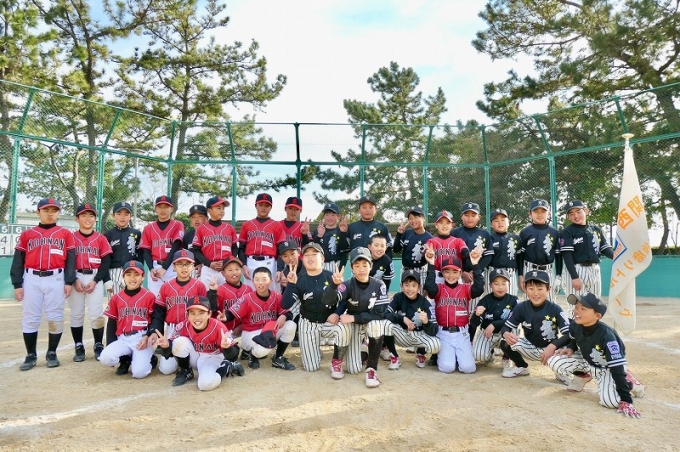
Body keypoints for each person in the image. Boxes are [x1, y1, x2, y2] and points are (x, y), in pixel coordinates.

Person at [547, 292, 644, 418]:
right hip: (587, 362)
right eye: (576, 307)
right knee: (554, 360)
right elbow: (572, 337)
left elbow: (616, 367)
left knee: (610, 402)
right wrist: (569, 347)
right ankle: (582, 376)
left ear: (597, 316)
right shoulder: (576, 325)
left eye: (583, 309)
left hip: (608, 369)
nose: (577, 311)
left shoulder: (607, 336)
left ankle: (629, 382)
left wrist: (626, 399)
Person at [11, 198, 76, 371]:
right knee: (30, 317)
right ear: (38, 212)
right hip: (31, 278)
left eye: (54, 210)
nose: (50, 214)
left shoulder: (65, 234)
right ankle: (31, 355)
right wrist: (17, 283)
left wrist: (69, 281)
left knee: (55, 316)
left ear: (58, 213)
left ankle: (52, 353)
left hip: (56, 277)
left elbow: (71, 260)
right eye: (46, 210)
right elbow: (18, 260)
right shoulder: (27, 234)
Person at [322, 247, 391, 388]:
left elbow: (380, 314)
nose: (361, 269)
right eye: (357, 265)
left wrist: (353, 317)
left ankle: (371, 369)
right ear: (352, 268)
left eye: (365, 265)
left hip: (367, 323)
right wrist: (334, 285)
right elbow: (326, 300)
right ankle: (356, 352)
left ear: (371, 265)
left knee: (377, 325)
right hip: (354, 328)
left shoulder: (379, 285)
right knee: (354, 368)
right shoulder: (347, 284)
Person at [281, 242, 351, 378]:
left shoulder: (333, 276)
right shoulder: (299, 280)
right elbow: (285, 304)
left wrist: (337, 313)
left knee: (344, 327)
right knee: (311, 367)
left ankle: (336, 361)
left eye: (314, 254)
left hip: (329, 322)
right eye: (307, 255)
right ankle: (315, 351)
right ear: (302, 259)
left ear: (322, 258)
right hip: (309, 324)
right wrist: (290, 285)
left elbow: (344, 300)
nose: (310, 257)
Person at [215, 267, 297, 371]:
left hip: (269, 331)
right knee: (261, 351)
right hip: (251, 333)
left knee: (291, 325)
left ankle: (278, 357)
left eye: (264, 279)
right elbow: (232, 312)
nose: (260, 282)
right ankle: (252, 356)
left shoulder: (277, 296)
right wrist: (225, 317)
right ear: (253, 282)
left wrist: (284, 315)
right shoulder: (247, 298)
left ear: (270, 281)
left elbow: (288, 313)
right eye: (257, 279)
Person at [154, 296, 244, 390]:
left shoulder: (218, 327)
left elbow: (234, 354)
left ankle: (227, 366)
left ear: (209, 314)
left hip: (212, 357)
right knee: (179, 342)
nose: (197, 317)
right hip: (195, 355)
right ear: (187, 315)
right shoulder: (183, 326)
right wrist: (166, 346)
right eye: (192, 313)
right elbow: (169, 353)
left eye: (201, 313)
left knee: (205, 385)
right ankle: (186, 370)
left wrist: (227, 348)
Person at [423, 246, 484, 374]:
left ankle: (455, 356)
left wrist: (475, 264)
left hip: (462, 334)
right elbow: (429, 286)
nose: (451, 275)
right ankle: (450, 356)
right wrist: (431, 264)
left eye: (455, 272)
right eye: (447, 271)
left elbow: (479, 288)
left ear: (461, 273)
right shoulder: (439, 288)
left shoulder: (465, 288)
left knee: (468, 368)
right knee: (447, 368)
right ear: (442, 273)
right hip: (443, 333)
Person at [499, 270, 570, 378]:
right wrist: (506, 333)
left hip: (551, 350)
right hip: (529, 346)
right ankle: (521, 366)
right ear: (525, 289)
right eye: (531, 288)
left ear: (548, 289)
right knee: (504, 342)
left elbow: (568, 334)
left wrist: (553, 346)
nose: (535, 293)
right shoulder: (521, 307)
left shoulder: (555, 309)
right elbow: (506, 327)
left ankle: (561, 372)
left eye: (540, 289)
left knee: (570, 346)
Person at [148, 249, 207, 376]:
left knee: (200, 363)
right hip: (172, 329)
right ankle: (178, 359)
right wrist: (154, 331)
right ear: (174, 267)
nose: (184, 268)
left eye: (187, 264)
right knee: (166, 370)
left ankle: (185, 364)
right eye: (180, 264)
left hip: (193, 329)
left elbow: (206, 312)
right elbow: (159, 313)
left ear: (193, 266)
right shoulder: (166, 286)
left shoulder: (199, 286)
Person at [68, 203, 113, 362]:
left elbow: (105, 262)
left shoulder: (101, 238)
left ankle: (98, 344)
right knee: (76, 313)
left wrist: (96, 280)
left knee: (96, 313)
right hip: (76, 277)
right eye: (84, 215)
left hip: (95, 276)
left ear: (95, 219)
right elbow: (66, 261)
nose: (88, 218)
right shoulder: (70, 237)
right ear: (77, 218)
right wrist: (73, 279)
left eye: (91, 215)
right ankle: (78, 346)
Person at [98, 260, 156, 379]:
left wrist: (148, 336)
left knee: (139, 373)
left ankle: (150, 358)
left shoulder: (149, 296)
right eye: (128, 274)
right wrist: (110, 345)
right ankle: (126, 359)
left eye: (137, 274)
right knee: (105, 358)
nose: (132, 278)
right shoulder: (116, 298)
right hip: (123, 339)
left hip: (141, 338)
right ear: (123, 276)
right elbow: (112, 323)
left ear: (143, 276)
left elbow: (155, 320)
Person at [382, 269, 441, 370]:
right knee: (384, 323)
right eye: (407, 285)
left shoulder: (425, 303)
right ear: (401, 286)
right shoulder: (398, 297)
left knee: (436, 345)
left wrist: (426, 322)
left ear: (419, 287)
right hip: (403, 334)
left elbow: (434, 330)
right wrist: (402, 318)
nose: (410, 289)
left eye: (414, 285)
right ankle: (395, 356)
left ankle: (421, 353)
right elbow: (385, 314)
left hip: (419, 336)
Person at [559, 200, 614, 305]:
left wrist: (616, 256)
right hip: (577, 269)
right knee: (575, 306)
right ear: (568, 217)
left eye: (578, 211)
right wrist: (574, 277)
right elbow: (567, 256)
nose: (576, 216)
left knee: (595, 304)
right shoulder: (567, 232)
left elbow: (605, 248)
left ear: (586, 211)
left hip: (594, 269)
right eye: (571, 214)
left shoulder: (596, 229)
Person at [469, 268, 518, 367]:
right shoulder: (485, 300)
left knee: (514, 329)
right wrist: (476, 315)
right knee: (478, 355)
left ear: (509, 284)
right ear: (490, 285)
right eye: (496, 284)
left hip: (505, 333)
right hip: (488, 334)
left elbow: (514, 320)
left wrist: (494, 324)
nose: (500, 287)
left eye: (504, 283)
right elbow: (474, 323)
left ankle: (507, 356)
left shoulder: (514, 300)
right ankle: (490, 353)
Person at [237, 193, 285, 291]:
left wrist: (279, 269)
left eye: (267, 205)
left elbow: (281, 250)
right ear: (256, 205)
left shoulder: (277, 225)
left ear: (271, 207)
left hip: (270, 262)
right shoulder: (247, 225)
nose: (263, 208)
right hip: (250, 262)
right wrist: (243, 265)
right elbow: (241, 248)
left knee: (271, 292)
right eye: (261, 205)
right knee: (250, 292)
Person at [517, 199, 562, 301]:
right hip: (529, 269)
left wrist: (558, 276)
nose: (539, 214)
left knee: (549, 302)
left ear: (549, 213)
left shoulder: (554, 232)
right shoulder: (525, 232)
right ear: (530, 214)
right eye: (536, 211)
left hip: (548, 270)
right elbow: (520, 256)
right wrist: (520, 275)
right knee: (529, 302)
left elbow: (558, 256)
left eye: (543, 211)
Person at [139, 195, 185, 296]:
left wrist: (164, 267)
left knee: (174, 298)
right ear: (155, 208)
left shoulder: (177, 225)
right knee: (156, 299)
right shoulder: (148, 228)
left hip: (173, 266)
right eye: (160, 207)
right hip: (155, 266)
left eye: (166, 207)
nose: (162, 210)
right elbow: (146, 250)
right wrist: (151, 268)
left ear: (171, 208)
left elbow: (176, 247)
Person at [452, 202, 494, 307]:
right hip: (455, 274)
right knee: (457, 306)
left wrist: (475, 272)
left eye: (473, 215)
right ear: (461, 217)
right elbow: (451, 255)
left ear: (479, 217)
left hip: (476, 275)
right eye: (466, 215)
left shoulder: (484, 234)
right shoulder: (454, 233)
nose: (469, 218)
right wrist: (462, 272)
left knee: (474, 307)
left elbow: (488, 257)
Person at [192, 196, 237, 289]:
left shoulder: (229, 228)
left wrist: (226, 262)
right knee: (207, 296)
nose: (222, 211)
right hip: (208, 269)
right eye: (218, 208)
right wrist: (209, 263)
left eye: (223, 208)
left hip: (227, 268)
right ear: (209, 210)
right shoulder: (201, 229)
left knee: (227, 295)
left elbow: (235, 248)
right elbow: (196, 250)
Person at [209, 257, 253, 347]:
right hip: (224, 331)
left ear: (241, 271)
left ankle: (246, 350)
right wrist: (212, 292)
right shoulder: (220, 289)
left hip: (244, 329)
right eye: (230, 270)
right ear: (223, 273)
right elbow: (212, 310)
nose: (234, 272)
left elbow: (251, 313)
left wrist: (242, 326)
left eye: (237, 269)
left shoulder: (248, 289)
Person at [104, 201, 141, 295]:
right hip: (113, 272)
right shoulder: (108, 235)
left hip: (132, 271)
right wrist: (107, 279)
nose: (122, 217)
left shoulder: (136, 233)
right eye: (119, 213)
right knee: (115, 301)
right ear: (113, 215)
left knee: (133, 302)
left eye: (126, 214)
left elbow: (140, 255)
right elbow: (105, 259)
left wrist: (140, 273)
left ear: (130, 216)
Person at [426, 210, 470, 285]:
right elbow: (426, 253)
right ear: (436, 225)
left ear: (452, 225)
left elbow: (465, 252)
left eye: (448, 223)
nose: (444, 226)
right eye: (441, 223)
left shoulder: (458, 241)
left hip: (454, 275)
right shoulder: (431, 241)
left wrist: (469, 254)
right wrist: (427, 253)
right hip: (437, 276)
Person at [393, 206, 433, 290]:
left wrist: (427, 284)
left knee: (420, 296)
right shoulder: (407, 233)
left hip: (421, 271)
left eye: (416, 217)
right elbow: (396, 249)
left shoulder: (429, 238)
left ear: (423, 218)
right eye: (410, 218)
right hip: (405, 270)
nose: (413, 220)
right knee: (405, 296)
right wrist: (399, 234)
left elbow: (431, 262)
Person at [343, 195, 393, 260]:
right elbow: (344, 247)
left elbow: (389, 245)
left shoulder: (382, 227)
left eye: (371, 207)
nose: (367, 210)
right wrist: (342, 233)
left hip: (377, 263)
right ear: (359, 210)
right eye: (364, 207)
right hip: (358, 264)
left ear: (376, 210)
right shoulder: (351, 227)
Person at [488, 208, 521, 296]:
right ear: (491, 224)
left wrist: (520, 275)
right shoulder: (489, 238)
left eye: (503, 220)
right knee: (492, 301)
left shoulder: (515, 238)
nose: (500, 223)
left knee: (510, 300)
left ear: (508, 222)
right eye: (496, 220)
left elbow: (519, 259)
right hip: (492, 272)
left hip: (510, 273)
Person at [312, 202, 349, 272]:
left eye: (333, 215)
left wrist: (343, 233)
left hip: (336, 264)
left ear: (338, 216)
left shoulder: (342, 230)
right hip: (320, 264)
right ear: (323, 216)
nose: (330, 217)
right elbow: (314, 249)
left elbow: (345, 250)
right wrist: (319, 236)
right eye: (327, 215)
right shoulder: (318, 231)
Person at [183, 204, 208, 279]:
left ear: (206, 218)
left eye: (200, 216)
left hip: (208, 269)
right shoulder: (187, 236)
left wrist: (202, 264)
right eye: (193, 217)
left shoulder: (211, 235)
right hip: (192, 271)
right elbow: (185, 255)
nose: (196, 219)